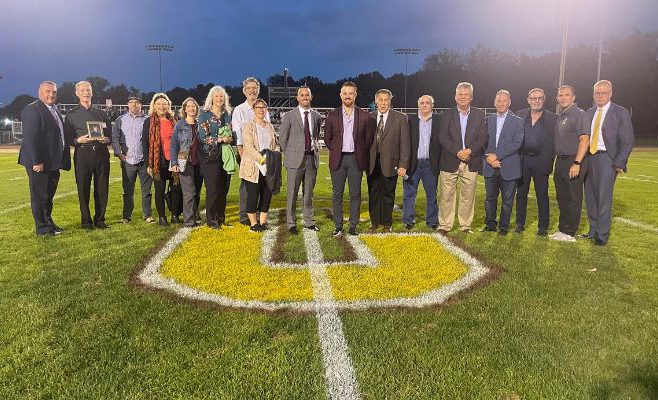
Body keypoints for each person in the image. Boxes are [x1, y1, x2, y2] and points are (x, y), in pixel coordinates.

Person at [583, 80, 634, 245]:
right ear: (593, 94)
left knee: (603, 197)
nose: (600, 96)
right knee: (590, 196)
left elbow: (627, 141)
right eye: (597, 93)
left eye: (603, 93)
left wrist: (619, 162)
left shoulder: (620, 112)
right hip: (589, 158)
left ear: (610, 93)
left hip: (607, 158)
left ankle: (602, 235)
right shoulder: (589, 112)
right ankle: (592, 230)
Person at [18, 81, 71, 236]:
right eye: (47, 91)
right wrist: (36, 161)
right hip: (40, 163)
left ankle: (49, 223)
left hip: (53, 162)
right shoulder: (32, 109)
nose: (51, 94)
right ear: (39, 92)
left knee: (48, 197)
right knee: (40, 196)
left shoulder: (54, 109)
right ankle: (42, 228)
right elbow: (31, 138)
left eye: (54, 92)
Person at [323, 81, 375, 237]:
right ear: (340, 95)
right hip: (338, 159)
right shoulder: (332, 115)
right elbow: (327, 138)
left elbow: (369, 139)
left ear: (355, 95)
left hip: (355, 159)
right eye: (345, 93)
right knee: (337, 194)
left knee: (355, 194)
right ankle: (338, 225)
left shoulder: (365, 116)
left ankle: (353, 225)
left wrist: (359, 150)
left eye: (350, 93)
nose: (347, 96)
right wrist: (337, 149)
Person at [437, 82, 487, 234]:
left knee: (467, 195)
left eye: (466, 94)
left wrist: (469, 151)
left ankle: (465, 225)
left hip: (471, 161)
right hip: (450, 159)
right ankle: (445, 225)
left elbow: (482, 137)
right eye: (460, 94)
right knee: (446, 195)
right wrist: (458, 152)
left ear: (471, 97)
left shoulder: (479, 114)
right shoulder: (447, 114)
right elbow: (443, 137)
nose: (463, 97)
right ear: (455, 97)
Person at [63, 81, 111, 229]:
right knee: (83, 188)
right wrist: (78, 140)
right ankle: (86, 221)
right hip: (83, 154)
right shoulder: (71, 115)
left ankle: (100, 220)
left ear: (92, 92)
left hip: (101, 153)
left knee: (102, 188)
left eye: (88, 90)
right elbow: (67, 138)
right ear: (77, 93)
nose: (86, 92)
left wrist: (107, 139)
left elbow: (109, 134)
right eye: (82, 90)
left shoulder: (101, 113)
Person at [514, 88, 557, 236]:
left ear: (544, 99)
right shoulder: (519, 115)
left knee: (542, 195)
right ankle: (519, 223)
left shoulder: (553, 118)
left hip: (541, 161)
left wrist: (551, 158)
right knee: (521, 194)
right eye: (533, 98)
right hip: (523, 160)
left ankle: (543, 226)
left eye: (539, 98)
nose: (536, 101)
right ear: (528, 100)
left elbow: (557, 141)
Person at [279, 87, 322, 234]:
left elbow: (314, 136)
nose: (304, 97)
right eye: (302, 95)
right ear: (297, 98)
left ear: (311, 97)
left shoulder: (316, 116)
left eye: (307, 95)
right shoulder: (290, 116)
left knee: (308, 193)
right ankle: (291, 223)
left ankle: (309, 221)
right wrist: (291, 154)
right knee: (292, 193)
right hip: (294, 160)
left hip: (311, 158)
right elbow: (282, 139)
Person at [550, 85, 590, 243]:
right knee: (562, 197)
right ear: (557, 98)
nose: (563, 98)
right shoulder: (562, 115)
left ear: (574, 97)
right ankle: (563, 229)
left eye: (567, 95)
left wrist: (577, 162)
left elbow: (584, 139)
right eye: (560, 95)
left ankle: (570, 232)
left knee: (573, 197)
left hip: (573, 160)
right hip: (560, 161)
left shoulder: (579, 114)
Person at [481, 90, 524, 235]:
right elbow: (483, 142)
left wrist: (497, 156)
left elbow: (516, 143)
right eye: (498, 101)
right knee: (490, 198)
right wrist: (489, 158)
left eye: (504, 101)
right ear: (494, 102)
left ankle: (504, 227)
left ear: (509, 102)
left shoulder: (518, 121)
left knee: (507, 200)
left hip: (509, 165)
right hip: (490, 165)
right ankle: (490, 224)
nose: (501, 103)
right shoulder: (488, 119)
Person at [367, 89, 410, 231]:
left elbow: (405, 143)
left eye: (386, 100)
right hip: (372, 162)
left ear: (390, 101)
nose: (383, 103)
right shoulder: (369, 117)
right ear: (376, 101)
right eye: (381, 100)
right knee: (373, 192)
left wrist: (403, 164)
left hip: (391, 162)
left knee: (388, 193)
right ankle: (374, 222)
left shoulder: (400, 118)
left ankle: (387, 223)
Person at [232, 77, 270, 226]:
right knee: (247, 185)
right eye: (249, 88)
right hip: (247, 153)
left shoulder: (263, 108)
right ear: (244, 91)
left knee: (262, 185)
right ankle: (244, 216)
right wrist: (243, 157)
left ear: (259, 90)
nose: (252, 91)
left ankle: (259, 215)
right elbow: (238, 136)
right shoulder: (239, 110)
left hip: (263, 156)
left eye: (255, 88)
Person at [141, 93, 182, 226]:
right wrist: (148, 164)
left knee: (176, 189)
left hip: (174, 160)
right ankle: (162, 217)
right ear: (154, 106)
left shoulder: (175, 120)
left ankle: (175, 215)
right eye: (158, 104)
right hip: (158, 161)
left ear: (168, 106)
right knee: (159, 190)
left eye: (164, 104)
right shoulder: (149, 121)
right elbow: (145, 144)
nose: (161, 106)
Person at [197, 86, 235, 229]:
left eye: (221, 96)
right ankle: (212, 220)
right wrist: (220, 139)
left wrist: (230, 138)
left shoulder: (227, 114)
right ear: (211, 98)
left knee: (223, 188)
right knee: (212, 189)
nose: (219, 99)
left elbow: (231, 133)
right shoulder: (204, 114)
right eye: (216, 96)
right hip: (210, 156)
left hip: (225, 155)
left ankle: (221, 218)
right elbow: (202, 137)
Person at [111, 94, 153, 224]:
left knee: (146, 191)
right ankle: (127, 216)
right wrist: (119, 154)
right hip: (128, 161)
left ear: (141, 105)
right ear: (128, 104)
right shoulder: (121, 119)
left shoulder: (148, 119)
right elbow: (115, 138)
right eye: (131, 102)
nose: (134, 105)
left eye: (137, 102)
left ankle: (147, 215)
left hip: (144, 161)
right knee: (128, 191)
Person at [239, 99, 278, 232]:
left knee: (267, 194)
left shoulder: (270, 126)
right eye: (258, 107)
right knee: (253, 195)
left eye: (263, 107)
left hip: (269, 167)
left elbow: (275, 145)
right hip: (254, 166)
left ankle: (263, 222)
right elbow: (248, 147)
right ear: (254, 110)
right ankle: (253, 223)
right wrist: (262, 160)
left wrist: (275, 155)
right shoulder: (248, 126)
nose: (261, 110)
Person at [403, 94, 441, 230]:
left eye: (428, 103)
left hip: (430, 164)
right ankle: (408, 220)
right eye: (422, 103)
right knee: (409, 194)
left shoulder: (439, 120)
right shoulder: (410, 120)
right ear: (418, 105)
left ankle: (431, 221)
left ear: (432, 105)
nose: (425, 105)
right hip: (413, 163)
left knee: (431, 194)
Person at [170, 97, 203, 228]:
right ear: (184, 109)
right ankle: (189, 220)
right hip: (185, 162)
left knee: (196, 192)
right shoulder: (180, 125)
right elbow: (173, 145)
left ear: (197, 108)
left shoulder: (201, 124)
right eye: (188, 106)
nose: (191, 108)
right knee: (188, 192)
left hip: (200, 162)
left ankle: (194, 215)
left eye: (193, 106)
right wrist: (174, 163)